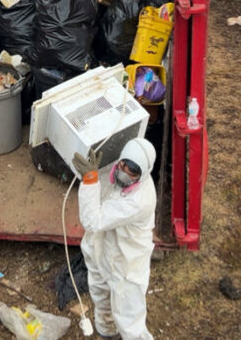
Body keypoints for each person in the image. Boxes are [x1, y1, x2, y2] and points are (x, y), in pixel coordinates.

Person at [71, 138, 157, 340]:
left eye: (132, 171)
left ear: (142, 174)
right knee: (101, 296)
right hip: (102, 249)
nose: (124, 172)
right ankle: (107, 334)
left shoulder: (140, 200)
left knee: (129, 316)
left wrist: (91, 180)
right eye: (123, 164)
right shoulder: (114, 173)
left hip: (127, 261)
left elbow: (93, 220)